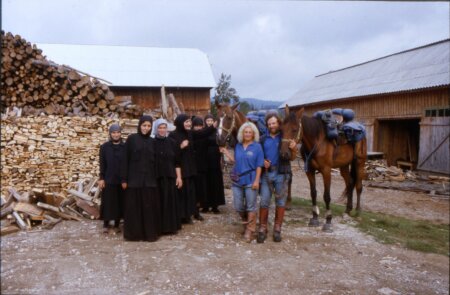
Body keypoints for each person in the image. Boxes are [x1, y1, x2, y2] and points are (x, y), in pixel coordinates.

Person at [169, 114, 216, 224]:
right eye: (186, 122)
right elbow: (170, 153)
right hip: (179, 169)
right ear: (180, 123)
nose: (189, 124)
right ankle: (181, 216)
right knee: (181, 194)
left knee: (191, 193)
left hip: (190, 168)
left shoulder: (190, 133)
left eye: (189, 122)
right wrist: (180, 147)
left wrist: (214, 126)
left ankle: (189, 214)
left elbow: (202, 133)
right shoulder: (173, 135)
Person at [257, 112, 297, 243]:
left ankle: (277, 229)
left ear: (278, 123)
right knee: (264, 201)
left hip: (282, 174)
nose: (271, 125)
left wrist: (294, 149)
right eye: (269, 124)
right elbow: (258, 156)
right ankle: (263, 228)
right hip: (267, 174)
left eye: (273, 123)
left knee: (280, 202)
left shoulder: (285, 137)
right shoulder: (262, 139)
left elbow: (292, 158)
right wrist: (263, 161)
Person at [221, 122, 263, 243]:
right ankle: (248, 223)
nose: (248, 134)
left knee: (251, 206)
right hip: (237, 180)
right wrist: (226, 153)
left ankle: (249, 230)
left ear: (253, 134)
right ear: (242, 133)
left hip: (251, 179)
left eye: (250, 132)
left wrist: (257, 181)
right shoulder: (238, 146)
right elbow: (236, 160)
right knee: (238, 206)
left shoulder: (257, 147)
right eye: (246, 132)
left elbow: (259, 165)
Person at [121, 115, 161, 242]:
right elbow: (125, 160)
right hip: (134, 180)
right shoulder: (132, 139)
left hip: (149, 181)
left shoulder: (153, 142)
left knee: (148, 209)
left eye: (149, 126)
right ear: (139, 125)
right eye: (144, 125)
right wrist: (124, 179)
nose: (146, 128)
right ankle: (133, 235)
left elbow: (156, 163)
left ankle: (148, 235)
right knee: (134, 208)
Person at [152, 118, 183, 234]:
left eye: (164, 127)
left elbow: (177, 162)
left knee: (169, 203)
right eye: (160, 127)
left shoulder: (172, 143)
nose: (162, 130)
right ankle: (158, 228)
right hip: (156, 178)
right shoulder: (151, 143)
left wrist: (179, 177)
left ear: (167, 129)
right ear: (156, 128)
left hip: (170, 177)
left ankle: (170, 228)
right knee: (158, 203)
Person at [98, 124, 125, 234]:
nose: (116, 134)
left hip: (121, 179)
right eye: (113, 132)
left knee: (119, 201)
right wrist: (101, 178)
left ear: (120, 133)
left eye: (118, 132)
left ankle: (117, 224)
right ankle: (106, 223)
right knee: (108, 201)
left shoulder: (125, 146)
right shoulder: (104, 147)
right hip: (108, 178)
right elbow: (102, 164)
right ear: (110, 134)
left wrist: (125, 179)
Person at [203, 114, 225, 214]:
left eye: (211, 121)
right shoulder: (203, 132)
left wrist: (221, 158)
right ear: (205, 121)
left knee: (215, 181)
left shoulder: (217, 132)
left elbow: (222, 144)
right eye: (207, 120)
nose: (209, 122)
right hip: (205, 159)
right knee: (206, 182)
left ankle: (215, 206)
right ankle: (205, 205)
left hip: (215, 159)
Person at [192, 117, 209, 215]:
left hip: (202, 164)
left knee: (202, 186)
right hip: (193, 165)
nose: (198, 128)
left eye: (200, 126)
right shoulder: (191, 135)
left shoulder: (204, 135)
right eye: (196, 126)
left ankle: (202, 204)